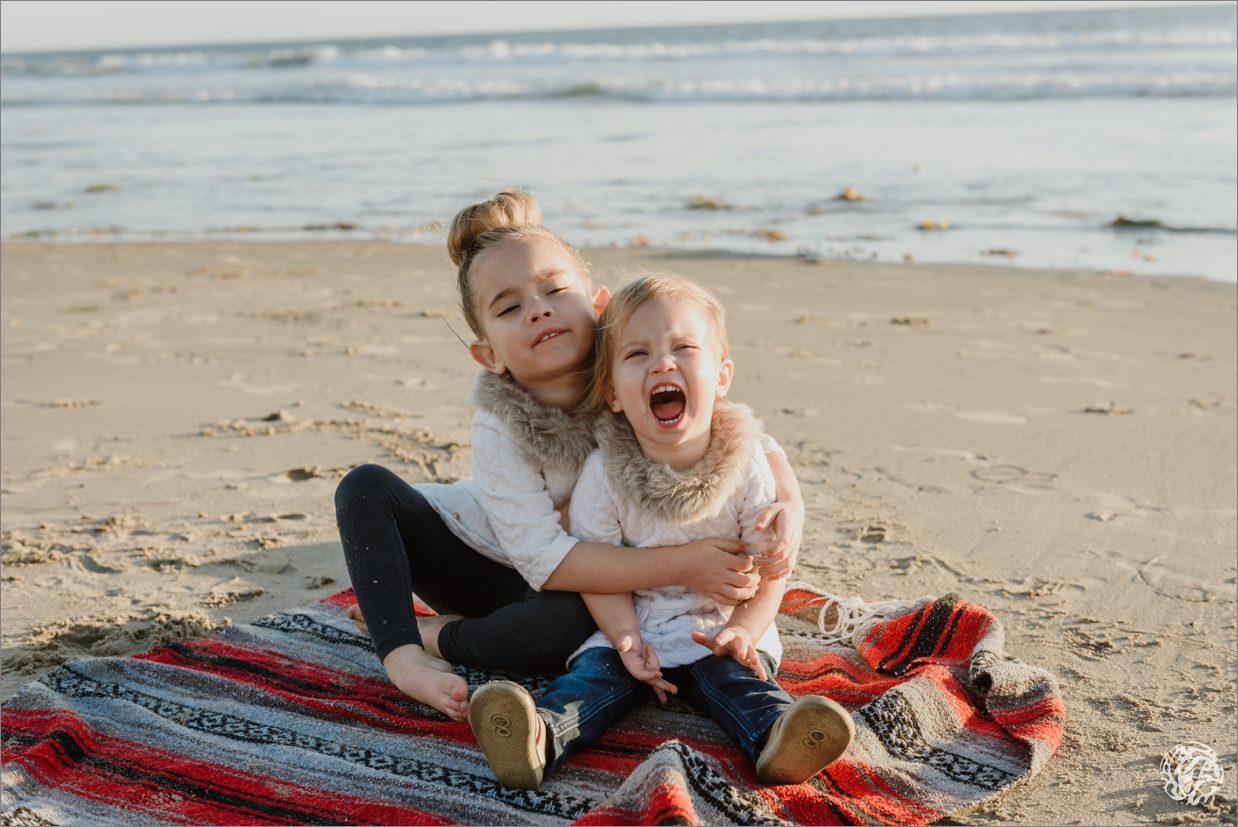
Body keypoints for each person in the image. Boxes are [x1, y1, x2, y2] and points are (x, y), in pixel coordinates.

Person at [335, 192, 807, 721]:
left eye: (555, 289)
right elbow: (541, 557)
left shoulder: (636, 371)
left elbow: (737, 435)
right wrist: (681, 564)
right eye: (510, 308)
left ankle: (442, 634)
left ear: (599, 306)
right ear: (488, 353)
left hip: (578, 589)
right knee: (364, 486)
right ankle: (408, 651)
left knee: (574, 625)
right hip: (481, 559)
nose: (538, 309)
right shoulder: (498, 424)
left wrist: (788, 502)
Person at [467, 275, 853, 790]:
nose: (662, 363)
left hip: (719, 624)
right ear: (613, 394)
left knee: (739, 682)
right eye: (637, 354)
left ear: (721, 376)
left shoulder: (745, 464)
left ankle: (780, 737)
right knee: (590, 682)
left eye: (684, 347)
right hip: (636, 621)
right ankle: (537, 736)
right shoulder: (604, 473)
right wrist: (625, 637)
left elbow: (771, 569)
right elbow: (598, 567)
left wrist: (745, 630)